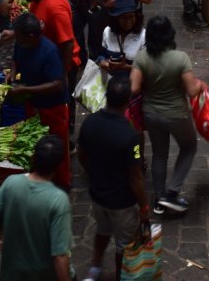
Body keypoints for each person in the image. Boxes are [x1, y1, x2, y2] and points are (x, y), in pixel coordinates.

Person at [130, 16, 205, 214]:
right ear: (170, 34)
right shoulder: (180, 58)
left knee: (159, 154)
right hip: (176, 114)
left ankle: (159, 198)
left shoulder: (142, 58)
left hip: (151, 114)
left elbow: (134, 88)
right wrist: (199, 86)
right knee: (189, 147)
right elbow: (191, 91)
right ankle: (172, 193)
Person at [79, 77, 150, 281]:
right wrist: (144, 208)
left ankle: (95, 268)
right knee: (125, 245)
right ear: (128, 101)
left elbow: (83, 155)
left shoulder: (90, 122)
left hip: (98, 195)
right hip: (122, 202)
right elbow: (136, 177)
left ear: (106, 96)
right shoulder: (130, 136)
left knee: (102, 231)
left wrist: (93, 173)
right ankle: (121, 276)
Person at [0, 134, 72, 281]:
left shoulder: (11, 183)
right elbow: (59, 256)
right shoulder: (58, 200)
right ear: (58, 166)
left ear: (33, 157)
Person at [5, 13, 72, 189]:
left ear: (32, 36)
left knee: (57, 146)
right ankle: (40, 178)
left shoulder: (49, 51)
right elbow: (15, 60)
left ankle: (63, 183)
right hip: (33, 104)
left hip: (53, 107)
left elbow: (58, 84)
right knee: (36, 143)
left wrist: (25, 89)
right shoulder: (22, 43)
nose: (16, 39)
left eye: (19, 36)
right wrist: (12, 73)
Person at [15, 0, 81, 138]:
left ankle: (67, 137)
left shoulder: (55, 8)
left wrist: (63, 73)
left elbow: (67, 43)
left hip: (62, 62)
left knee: (63, 102)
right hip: (47, 60)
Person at [97, 0, 146, 80]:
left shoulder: (143, 35)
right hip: (110, 81)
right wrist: (104, 63)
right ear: (116, 19)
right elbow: (102, 55)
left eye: (131, 16)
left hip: (134, 83)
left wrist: (125, 67)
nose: (128, 21)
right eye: (123, 18)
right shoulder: (107, 31)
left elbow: (146, 67)